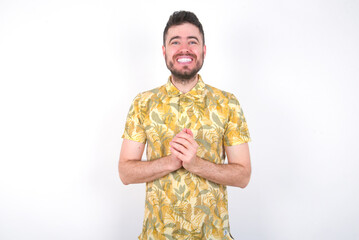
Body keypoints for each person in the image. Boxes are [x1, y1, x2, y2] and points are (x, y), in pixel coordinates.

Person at [119, 10, 251, 240]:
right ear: (164, 51)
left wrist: (196, 164)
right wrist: (171, 162)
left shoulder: (227, 104)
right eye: (175, 42)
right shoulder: (143, 103)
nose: (184, 48)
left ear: (203, 50)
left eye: (193, 41)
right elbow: (125, 172)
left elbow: (243, 176)